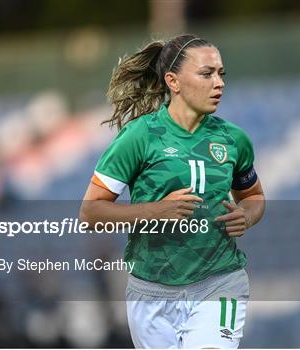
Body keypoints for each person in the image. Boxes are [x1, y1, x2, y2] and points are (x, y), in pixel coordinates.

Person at [80, 34, 265, 348]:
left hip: (219, 281)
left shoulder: (233, 140)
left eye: (221, 74)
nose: (218, 83)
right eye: (206, 74)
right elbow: (90, 213)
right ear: (173, 82)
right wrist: (156, 211)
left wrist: (246, 215)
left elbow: (253, 197)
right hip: (150, 291)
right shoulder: (139, 137)